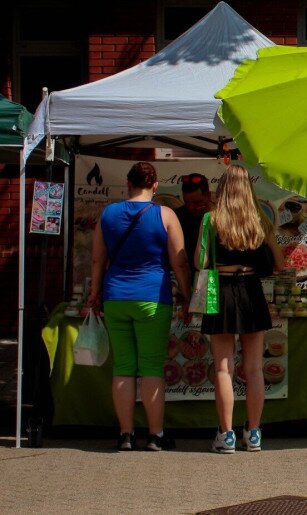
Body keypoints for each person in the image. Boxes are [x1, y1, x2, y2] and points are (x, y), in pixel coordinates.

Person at [87, 161, 191, 451]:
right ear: (155, 186)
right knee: (150, 367)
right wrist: (186, 295)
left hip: (115, 297)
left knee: (122, 367)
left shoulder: (108, 214)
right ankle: (156, 435)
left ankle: (126, 435)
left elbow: (97, 260)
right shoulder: (166, 215)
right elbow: (179, 263)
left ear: (128, 183)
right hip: (152, 298)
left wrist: (95, 294)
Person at [197, 164, 283, 454]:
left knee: (223, 368)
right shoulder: (259, 219)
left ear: (221, 189)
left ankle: (227, 435)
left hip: (219, 291)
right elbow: (278, 263)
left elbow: (200, 261)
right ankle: (254, 432)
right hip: (251, 290)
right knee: (255, 368)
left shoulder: (211, 219)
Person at [175, 173, 212, 258]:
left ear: (208, 195)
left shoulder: (220, 217)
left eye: (197, 202)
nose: (191, 207)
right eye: (186, 202)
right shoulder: (176, 217)